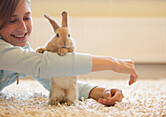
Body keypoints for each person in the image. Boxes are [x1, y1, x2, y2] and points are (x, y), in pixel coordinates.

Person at [0, 0, 138, 106]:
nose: (23, 27)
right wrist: (113, 63)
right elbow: (46, 65)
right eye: (12, 20)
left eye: (26, 18)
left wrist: (101, 91)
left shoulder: (21, 49)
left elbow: (55, 77)